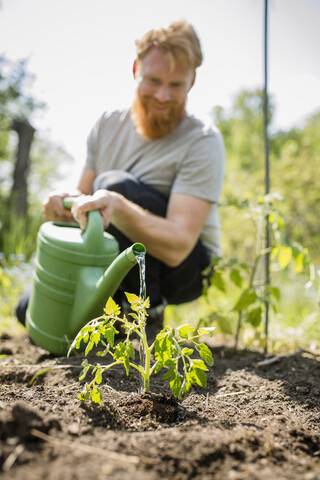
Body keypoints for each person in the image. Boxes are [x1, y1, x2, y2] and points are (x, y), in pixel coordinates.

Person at [17, 20, 225, 330]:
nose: (163, 96)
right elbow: (82, 201)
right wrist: (63, 205)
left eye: (176, 85)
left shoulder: (203, 141)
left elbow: (179, 244)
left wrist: (117, 203)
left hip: (184, 268)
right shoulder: (106, 125)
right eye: (153, 80)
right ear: (135, 69)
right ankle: (115, 318)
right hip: (114, 255)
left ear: (192, 81)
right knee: (28, 309)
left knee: (114, 186)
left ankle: (145, 317)